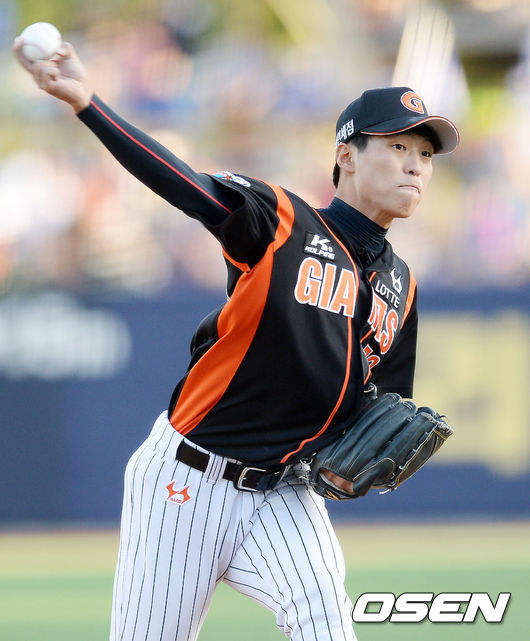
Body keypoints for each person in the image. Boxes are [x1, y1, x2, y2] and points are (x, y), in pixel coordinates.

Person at [14, 37, 459, 641]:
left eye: (426, 154)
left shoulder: (401, 286)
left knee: (328, 625)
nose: (415, 165)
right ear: (346, 157)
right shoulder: (282, 222)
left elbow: (380, 406)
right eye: (398, 146)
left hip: (284, 492)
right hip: (187, 483)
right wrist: (88, 104)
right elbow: (183, 184)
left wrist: (362, 445)